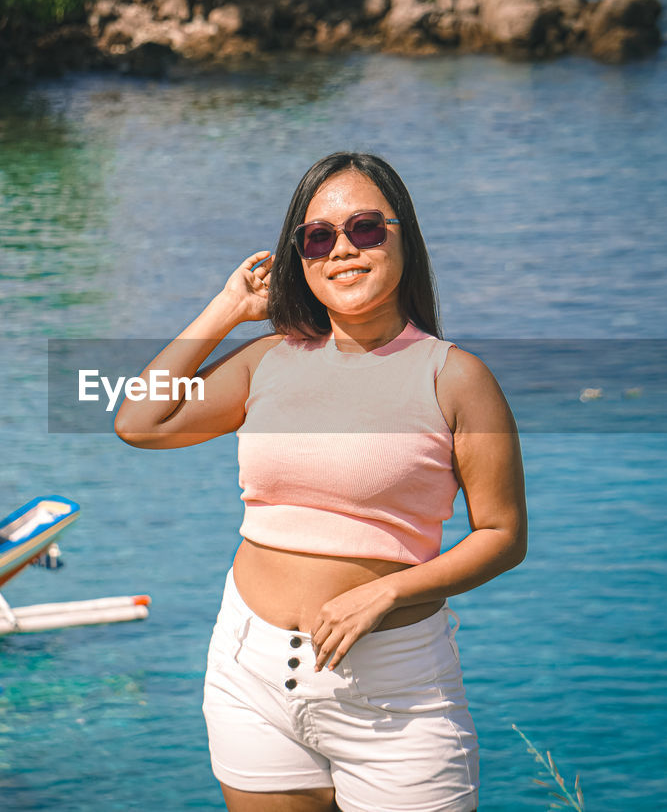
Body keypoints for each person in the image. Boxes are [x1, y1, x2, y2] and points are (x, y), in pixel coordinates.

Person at [115, 152, 527, 812]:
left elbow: (503, 534)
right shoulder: (267, 360)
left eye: (365, 228)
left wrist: (388, 590)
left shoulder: (455, 378)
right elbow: (140, 419)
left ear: (403, 238)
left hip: (395, 698)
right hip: (250, 676)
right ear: (299, 257)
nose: (342, 249)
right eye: (318, 237)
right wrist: (226, 308)